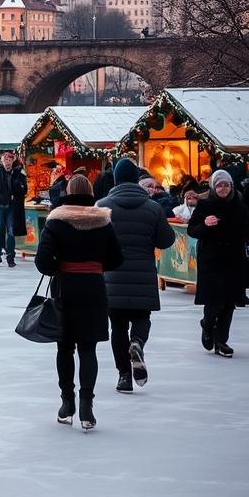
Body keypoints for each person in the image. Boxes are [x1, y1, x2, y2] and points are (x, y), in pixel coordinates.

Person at [35, 175, 123, 431]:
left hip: (66, 289)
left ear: (68, 191)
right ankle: (87, 406)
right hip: (94, 289)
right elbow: (116, 259)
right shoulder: (103, 220)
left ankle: (67, 403)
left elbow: (43, 263)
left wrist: (60, 266)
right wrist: (94, 266)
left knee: (65, 348)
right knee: (88, 349)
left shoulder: (57, 220)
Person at [96, 158, 175, 393]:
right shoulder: (153, 208)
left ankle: (124, 377)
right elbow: (167, 240)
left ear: (116, 179)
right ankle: (138, 343)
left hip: (113, 277)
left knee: (118, 326)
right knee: (142, 318)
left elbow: (95, 240)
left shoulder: (102, 205)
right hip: (143, 275)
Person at [187, 170, 249, 358]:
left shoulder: (239, 206)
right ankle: (207, 324)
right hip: (211, 261)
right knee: (213, 302)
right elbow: (192, 230)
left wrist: (242, 227)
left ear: (231, 187)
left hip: (234, 260)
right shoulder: (205, 205)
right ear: (213, 187)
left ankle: (221, 341)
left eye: (226, 185)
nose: (223, 188)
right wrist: (205, 225)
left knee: (228, 303)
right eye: (219, 185)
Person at [0, 151, 28, 268]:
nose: (7, 163)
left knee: (10, 232)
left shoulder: (18, 173)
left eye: (9, 160)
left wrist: (18, 188)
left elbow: (24, 190)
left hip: (12, 205)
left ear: (12, 161)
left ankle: (10, 257)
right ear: (2, 161)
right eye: (5, 160)